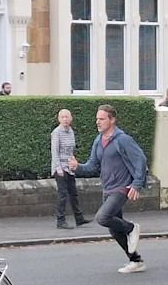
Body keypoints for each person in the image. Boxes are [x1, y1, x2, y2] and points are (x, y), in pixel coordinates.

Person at [69, 104, 147, 273]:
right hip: (108, 188)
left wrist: (137, 183)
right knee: (114, 228)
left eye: (102, 119)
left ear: (112, 120)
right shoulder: (98, 140)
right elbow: (92, 166)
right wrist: (78, 167)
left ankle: (132, 228)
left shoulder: (122, 139)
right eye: (97, 118)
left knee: (103, 217)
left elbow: (140, 159)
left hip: (122, 187)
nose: (98, 122)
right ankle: (136, 261)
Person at [51, 109, 92, 229]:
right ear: (59, 119)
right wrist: (58, 168)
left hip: (69, 167)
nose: (65, 119)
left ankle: (79, 218)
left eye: (67, 117)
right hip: (60, 168)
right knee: (62, 194)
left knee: (73, 193)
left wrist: (73, 163)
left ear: (71, 118)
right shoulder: (56, 133)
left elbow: (71, 151)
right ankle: (60, 220)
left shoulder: (71, 132)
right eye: (62, 117)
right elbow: (55, 152)